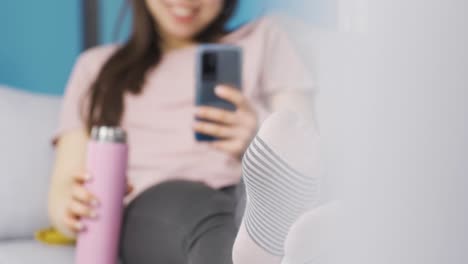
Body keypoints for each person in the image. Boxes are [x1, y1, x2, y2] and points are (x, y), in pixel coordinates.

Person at [47, 0, 315, 263]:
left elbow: (303, 151)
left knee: (254, 201)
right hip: (159, 202)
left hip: (246, 190)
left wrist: (254, 135)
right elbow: (63, 187)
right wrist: (73, 209)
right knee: (205, 217)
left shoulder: (265, 38)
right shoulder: (96, 67)